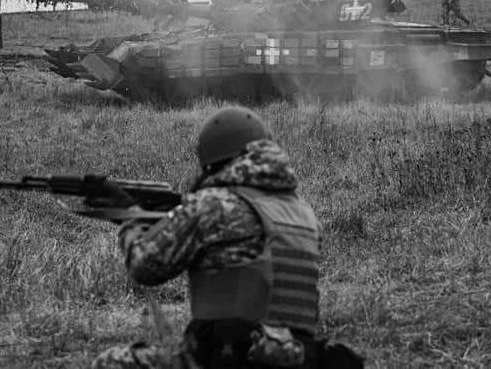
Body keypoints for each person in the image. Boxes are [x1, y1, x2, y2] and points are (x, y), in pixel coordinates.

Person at [92, 106, 364, 368]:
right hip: (298, 359)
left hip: (227, 358)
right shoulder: (303, 214)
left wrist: (131, 220)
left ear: (214, 160)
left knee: (112, 362)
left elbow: (145, 267)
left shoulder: (213, 204)